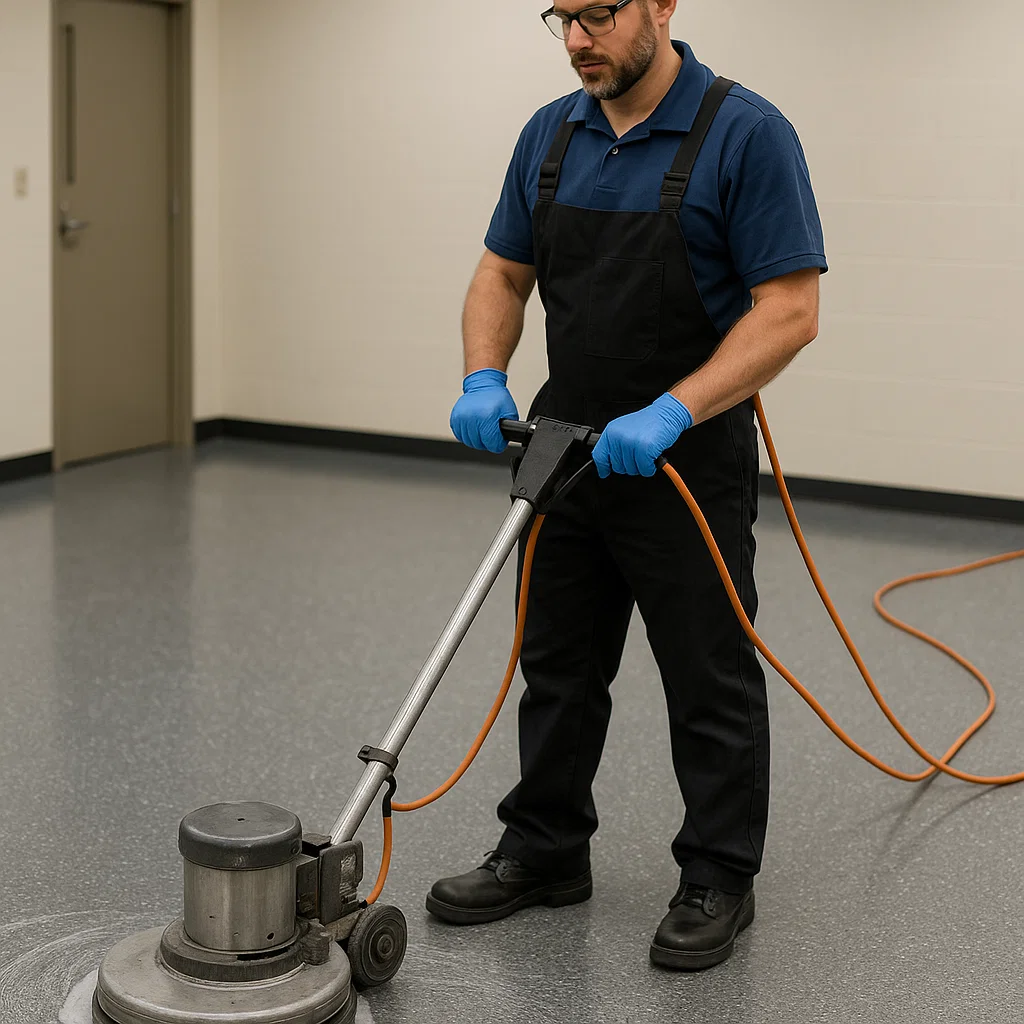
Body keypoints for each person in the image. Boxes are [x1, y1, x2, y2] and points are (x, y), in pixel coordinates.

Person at [431, 0, 827, 971]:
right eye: (560, 17)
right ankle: (544, 846)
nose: (577, 39)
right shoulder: (549, 134)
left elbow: (789, 311)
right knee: (557, 665)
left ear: (661, 6)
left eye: (600, 13)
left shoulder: (745, 131)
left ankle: (717, 874)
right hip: (563, 447)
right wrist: (485, 371)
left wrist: (671, 413)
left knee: (707, 673)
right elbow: (499, 271)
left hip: (682, 455)